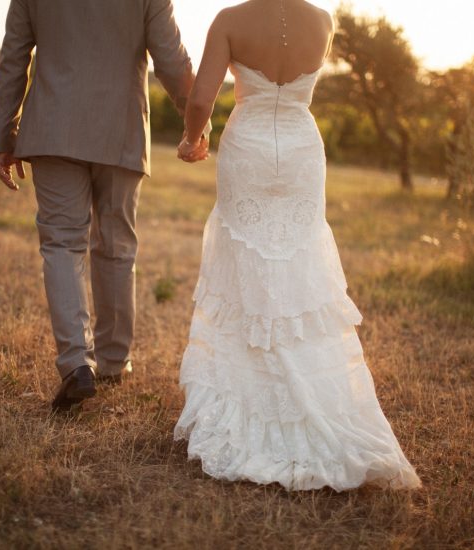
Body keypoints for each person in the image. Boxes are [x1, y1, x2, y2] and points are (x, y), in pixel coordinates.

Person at [174, 0, 421, 491]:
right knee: (299, 260)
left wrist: (192, 137)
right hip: (303, 149)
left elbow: (201, 100)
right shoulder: (323, 22)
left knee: (247, 258)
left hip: (248, 149)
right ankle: (310, 391)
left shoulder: (229, 20)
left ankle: (252, 391)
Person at [0, 0, 209, 411]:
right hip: (122, 131)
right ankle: (112, 360)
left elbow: (14, 57)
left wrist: (6, 133)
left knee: (61, 243)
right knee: (116, 248)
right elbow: (171, 58)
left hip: (53, 129)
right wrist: (194, 119)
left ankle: (77, 364)